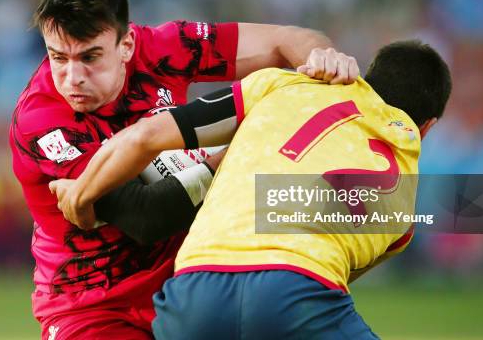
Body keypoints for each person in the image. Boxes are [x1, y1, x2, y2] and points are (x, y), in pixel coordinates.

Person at [9, 0, 358, 339]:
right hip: (94, 307)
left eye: (90, 57)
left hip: (191, 285)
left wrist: (324, 59)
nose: (72, 77)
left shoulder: (162, 48)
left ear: (125, 45)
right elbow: (146, 217)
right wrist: (242, 153)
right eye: (58, 57)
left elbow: (288, 39)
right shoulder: (43, 121)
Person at [50, 41, 452, 339]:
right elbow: (331, 276)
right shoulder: (405, 206)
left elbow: (144, 138)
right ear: (428, 126)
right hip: (295, 291)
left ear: (366, 77)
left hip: (189, 296)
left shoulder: (284, 85)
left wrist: (80, 194)